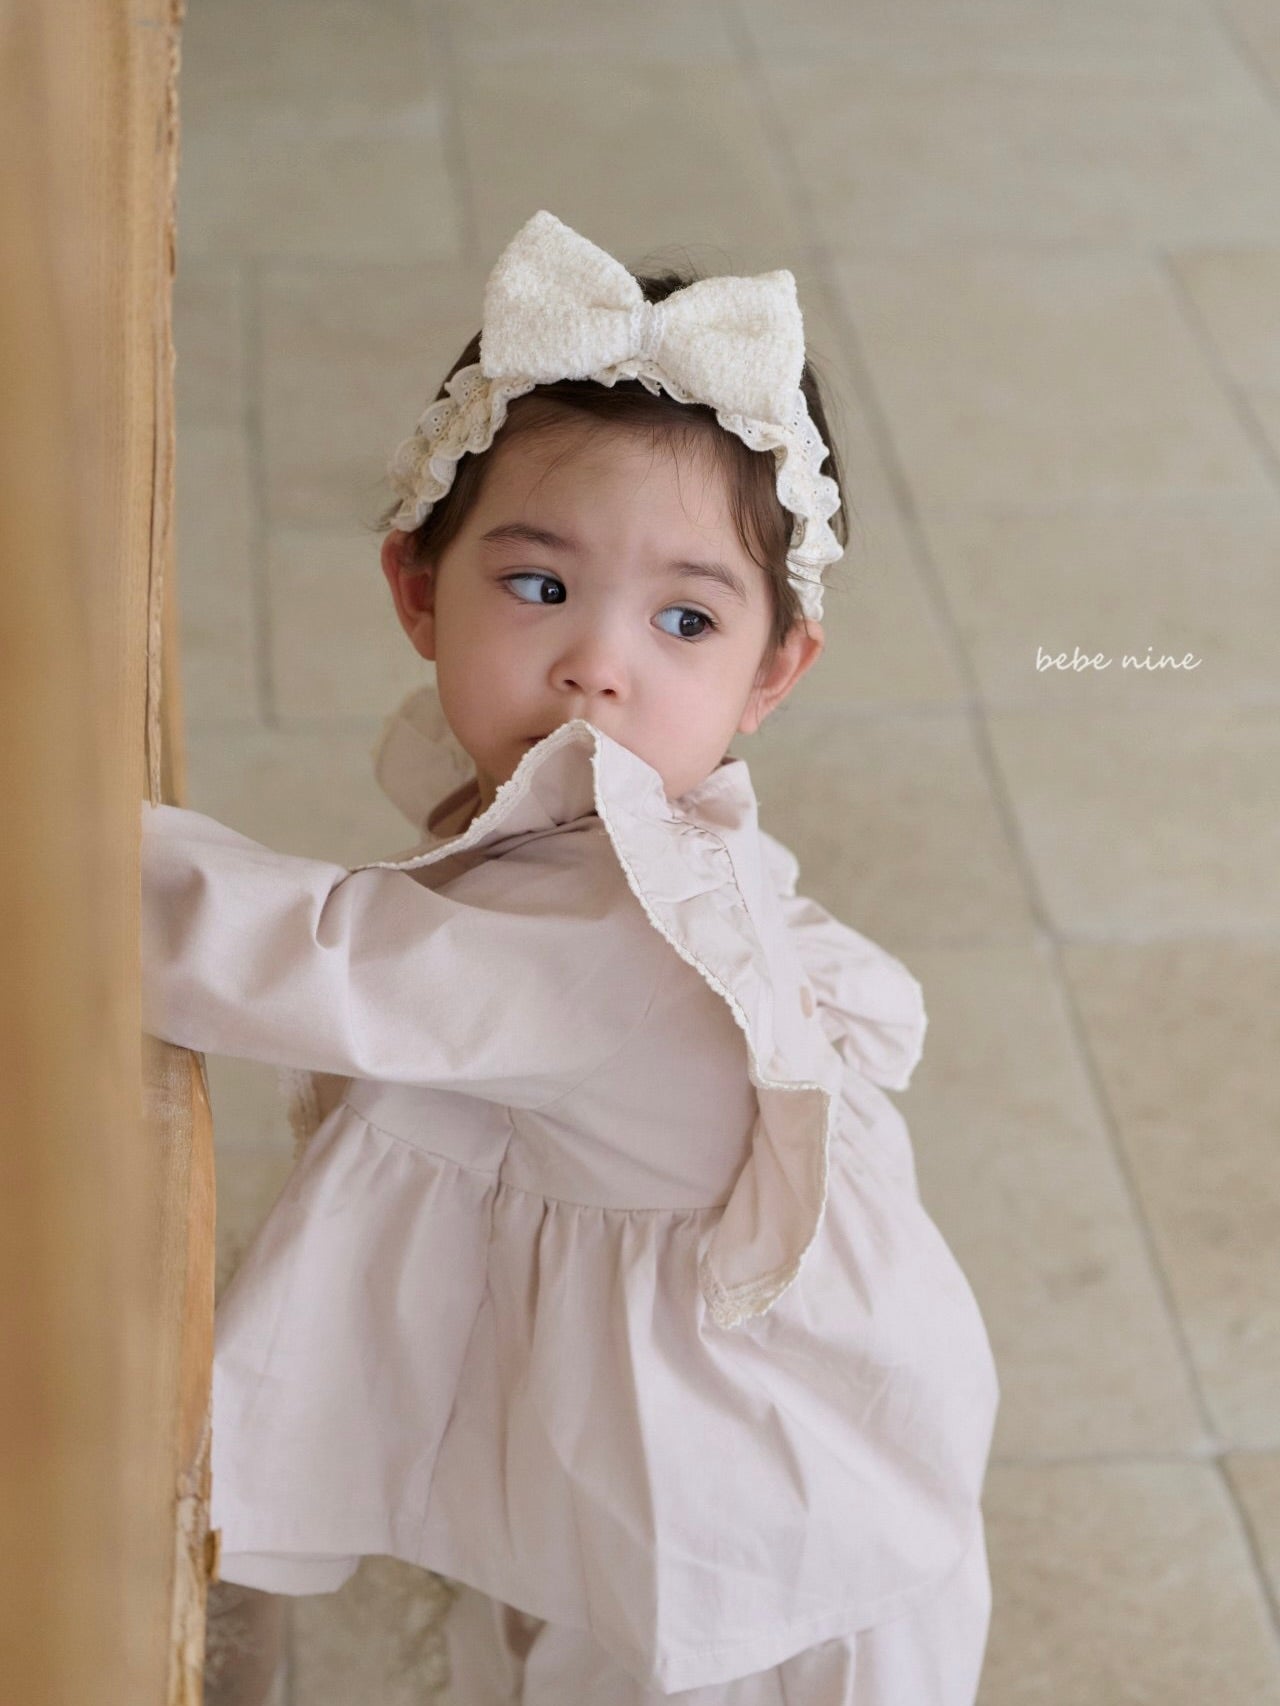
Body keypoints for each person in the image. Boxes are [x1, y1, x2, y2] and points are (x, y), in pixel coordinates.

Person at [141, 210, 1000, 1705]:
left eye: (685, 618)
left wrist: (65, 843)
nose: (601, 661)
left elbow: (310, 955)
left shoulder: (615, 922)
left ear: (772, 674)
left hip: (749, 1557)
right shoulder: (626, 823)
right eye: (539, 587)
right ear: (419, 589)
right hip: (714, 1451)